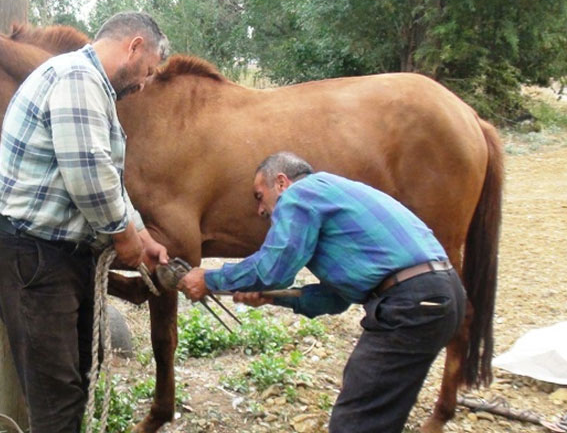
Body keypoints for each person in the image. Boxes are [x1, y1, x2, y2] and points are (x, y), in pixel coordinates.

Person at [0, 12, 171, 432]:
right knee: (57, 397)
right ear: (133, 46)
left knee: (74, 379)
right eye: (148, 70)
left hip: (49, 254)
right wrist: (125, 237)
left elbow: (105, 172)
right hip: (33, 255)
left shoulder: (87, 84)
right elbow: (89, 176)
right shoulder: (79, 79)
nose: (144, 83)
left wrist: (139, 233)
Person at [177, 152, 466, 433]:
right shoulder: (335, 193)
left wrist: (212, 279)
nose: (260, 211)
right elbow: (337, 299)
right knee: (379, 411)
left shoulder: (301, 195)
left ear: (281, 182)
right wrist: (273, 297)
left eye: (259, 196)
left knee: (355, 421)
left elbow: (273, 268)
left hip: (411, 302)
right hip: (441, 297)